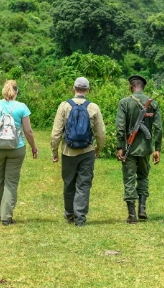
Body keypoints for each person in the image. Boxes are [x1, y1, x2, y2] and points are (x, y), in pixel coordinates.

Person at [0, 80, 38, 226]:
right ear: (16, 91)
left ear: (3, 91)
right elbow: (28, 131)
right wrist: (33, 147)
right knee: (11, 182)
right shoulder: (22, 107)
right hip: (16, 149)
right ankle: (6, 217)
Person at [50, 77, 106, 227]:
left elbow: (56, 133)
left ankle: (69, 215)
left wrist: (54, 152)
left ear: (74, 88)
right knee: (84, 184)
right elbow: (101, 134)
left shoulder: (64, 106)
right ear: (87, 90)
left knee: (69, 183)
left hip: (68, 151)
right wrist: (98, 149)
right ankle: (80, 218)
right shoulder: (94, 107)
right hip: (87, 151)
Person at [115, 75, 162, 224]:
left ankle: (132, 215)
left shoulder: (125, 102)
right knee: (143, 177)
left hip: (130, 149)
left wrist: (120, 147)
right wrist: (157, 148)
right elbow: (158, 128)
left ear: (131, 87)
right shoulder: (153, 103)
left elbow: (120, 127)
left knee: (129, 179)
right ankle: (142, 208)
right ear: (143, 87)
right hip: (146, 149)